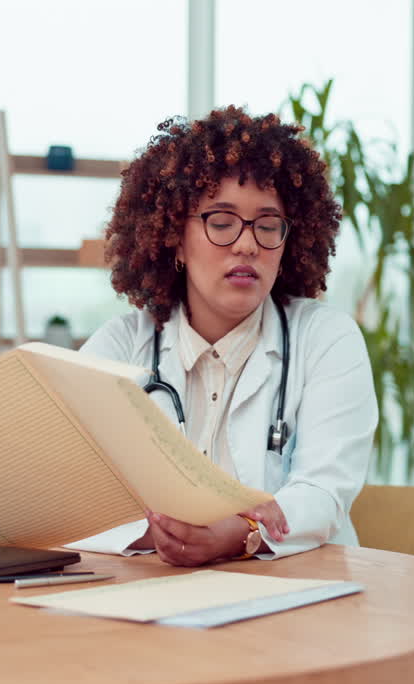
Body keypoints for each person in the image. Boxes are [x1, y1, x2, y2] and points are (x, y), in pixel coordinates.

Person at [64, 106, 374, 569]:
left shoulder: (326, 339)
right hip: (153, 592)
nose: (247, 244)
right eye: (222, 223)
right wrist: (164, 531)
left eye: (267, 226)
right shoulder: (121, 346)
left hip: (299, 591)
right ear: (175, 236)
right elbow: (71, 490)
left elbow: (323, 492)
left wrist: (239, 534)